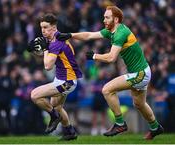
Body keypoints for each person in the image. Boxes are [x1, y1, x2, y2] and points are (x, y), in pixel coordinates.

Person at [56, 5, 164, 140]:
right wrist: (70, 35)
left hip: (140, 73)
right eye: (104, 17)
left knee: (107, 90)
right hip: (141, 71)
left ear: (116, 19)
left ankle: (120, 123)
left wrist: (95, 56)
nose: (104, 20)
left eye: (107, 17)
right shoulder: (112, 31)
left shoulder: (120, 33)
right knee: (139, 104)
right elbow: (89, 35)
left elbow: (112, 58)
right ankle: (155, 127)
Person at [28, 13, 82, 140]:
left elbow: (47, 66)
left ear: (54, 27)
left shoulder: (57, 42)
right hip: (62, 78)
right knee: (57, 106)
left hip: (67, 81)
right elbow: (47, 56)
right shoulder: (53, 39)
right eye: (42, 28)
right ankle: (70, 132)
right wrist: (33, 50)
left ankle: (53, 116)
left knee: (34, 95)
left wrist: (45, 49)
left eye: (46, 27)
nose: (43, 31)